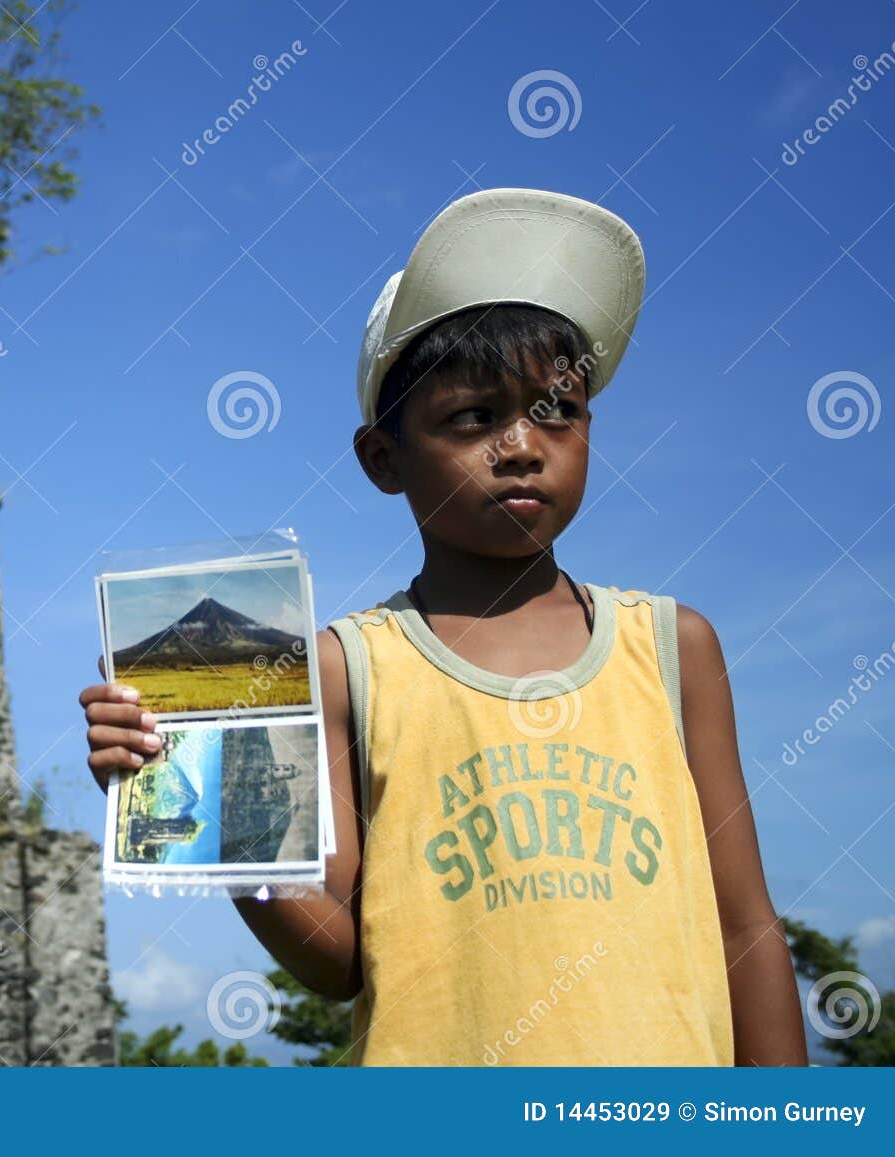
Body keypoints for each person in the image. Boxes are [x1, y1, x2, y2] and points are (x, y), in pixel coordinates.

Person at [79, 188, 806, 1066]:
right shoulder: (344, 669)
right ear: (383, 459)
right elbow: (339, 959)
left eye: (556, 411)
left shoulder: (674, 646)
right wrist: (198, 807)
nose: (522, 444)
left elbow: (745, 925)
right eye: (473, 416)